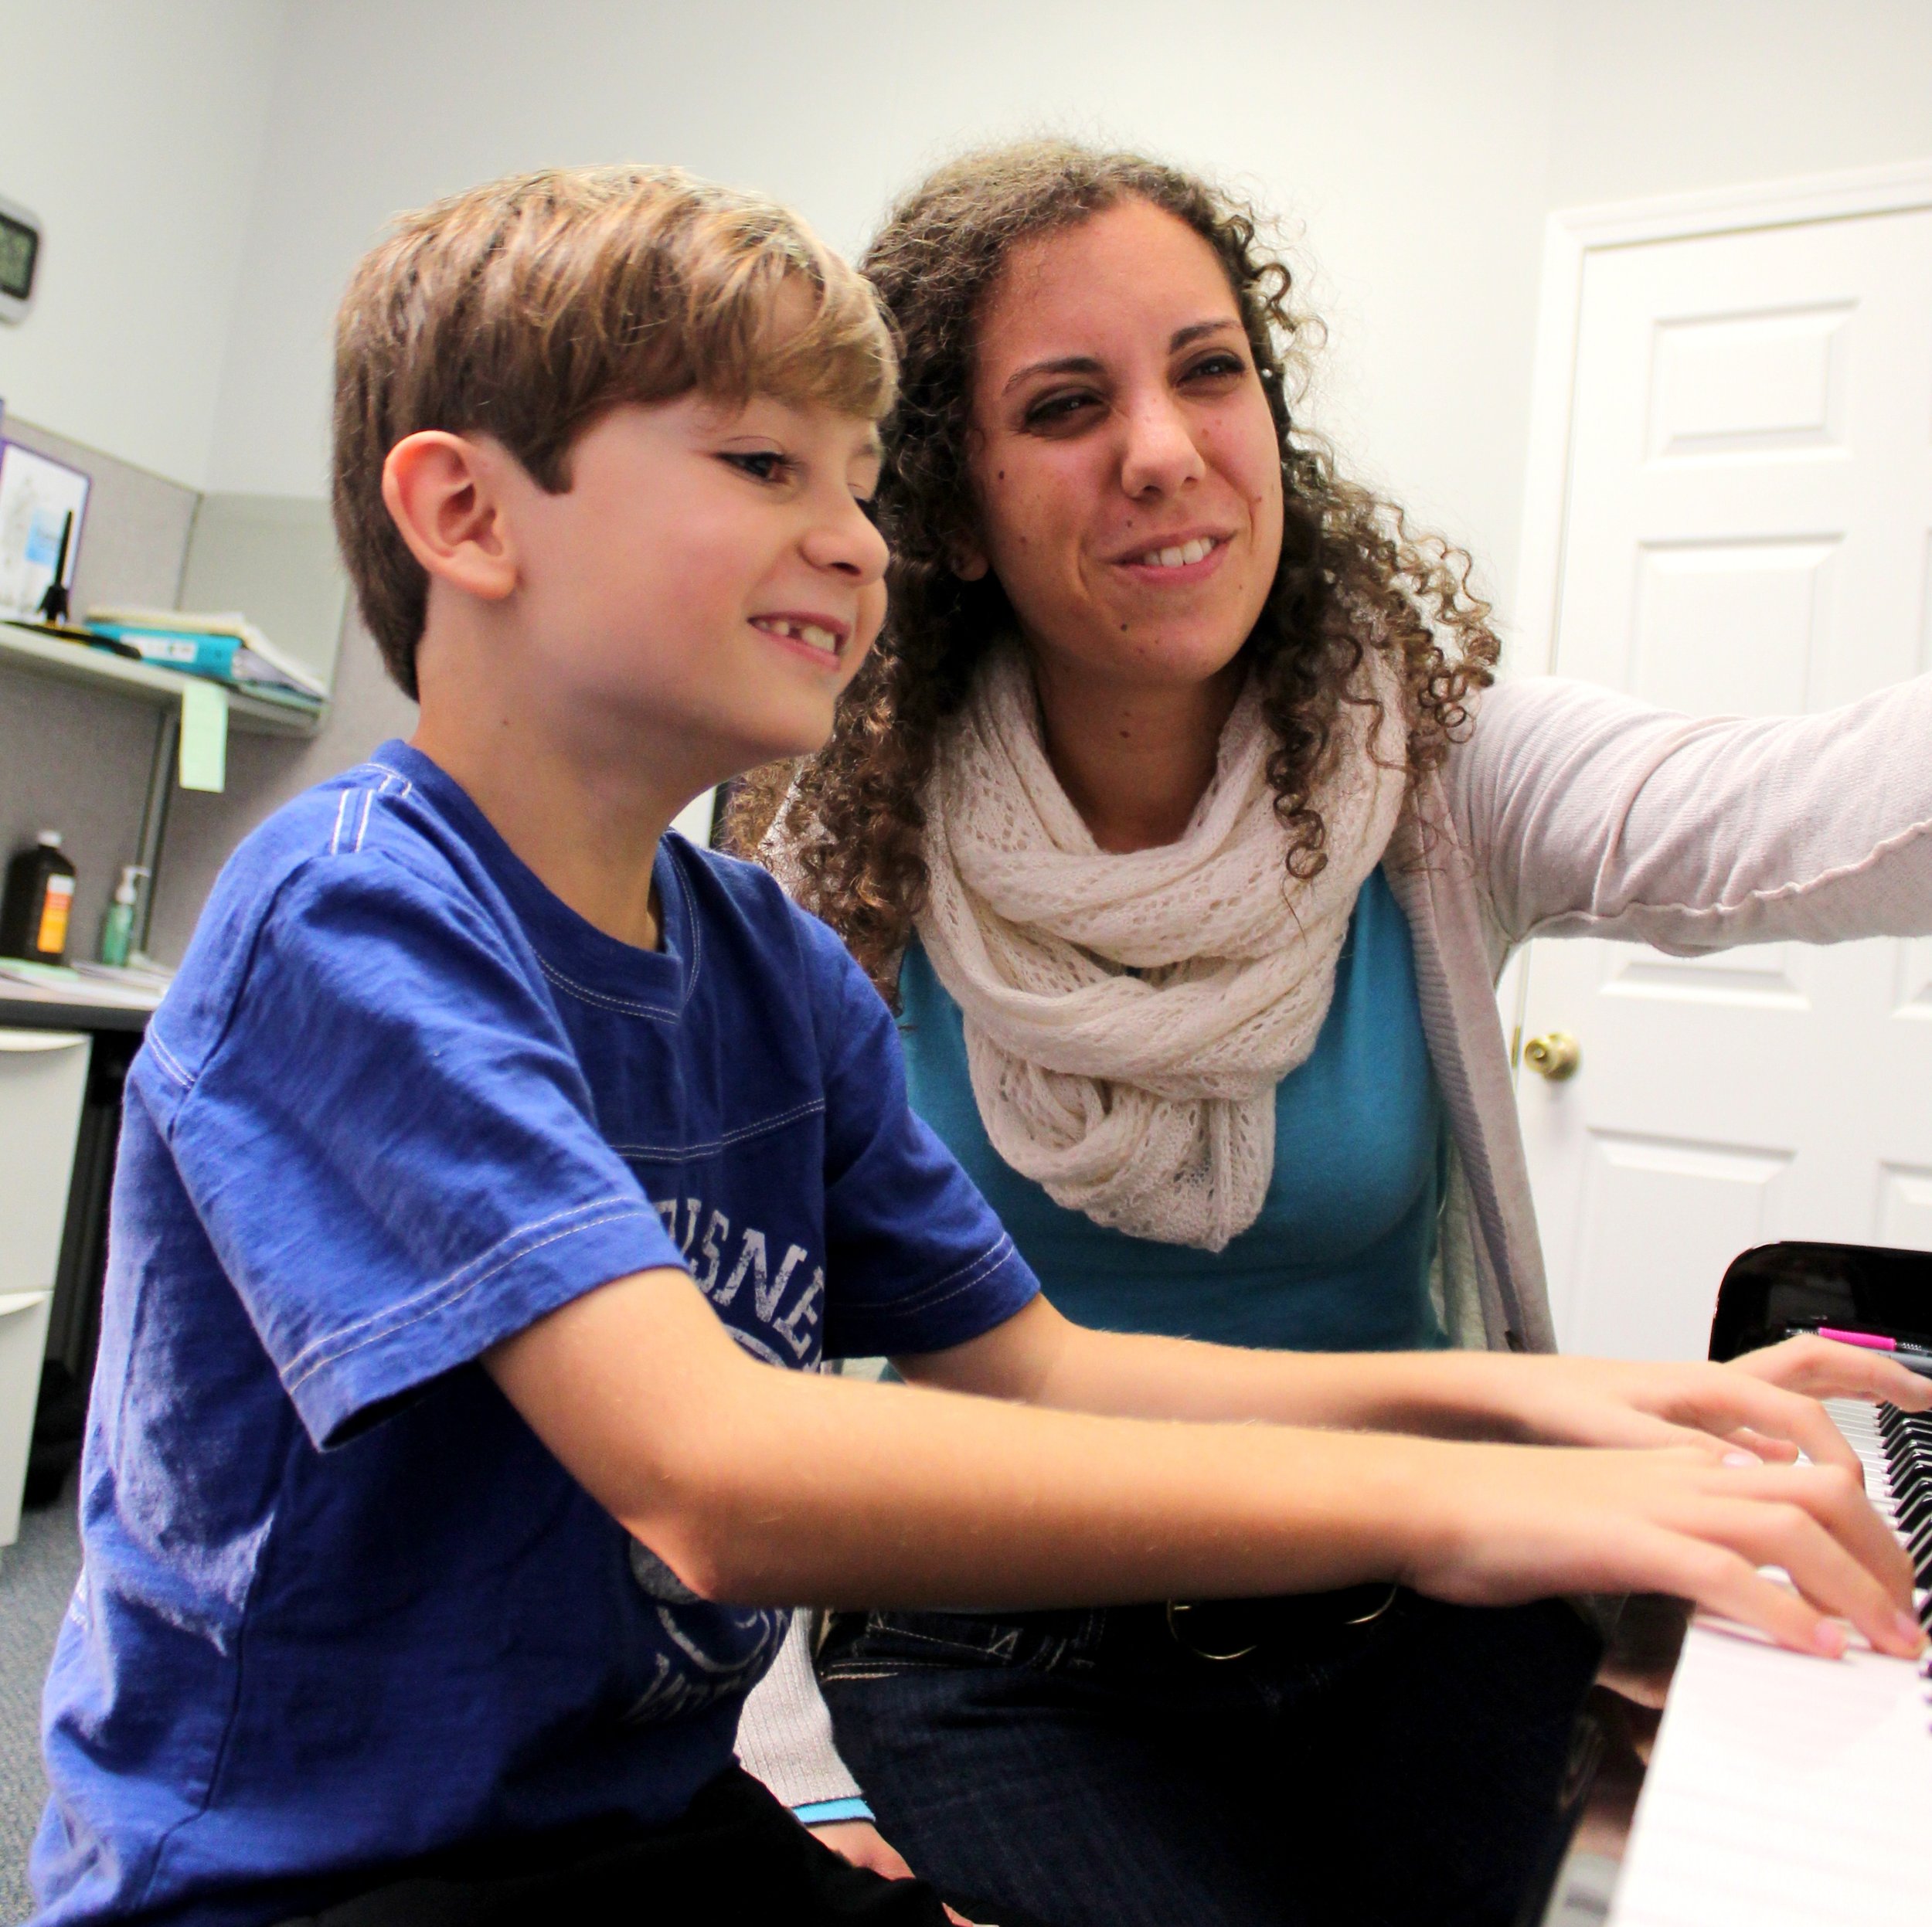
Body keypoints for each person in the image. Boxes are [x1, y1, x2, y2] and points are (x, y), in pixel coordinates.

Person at [29, 161, 1922, 1927]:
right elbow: (716, 1470)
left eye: (857, 481)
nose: (846, 541)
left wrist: (1563, 1403)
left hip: (627, 1814)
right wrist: (1480, 1491)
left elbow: (1033, 1368)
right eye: (768, 463)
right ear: (463, 513)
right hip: (315, 1868)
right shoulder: (359, 913)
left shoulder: (757, 955)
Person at [732, 141, 1932, 1927]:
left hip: (1418, 1616)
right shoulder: (832, 838)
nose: (1162, 447)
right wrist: (786, 1779)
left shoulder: (1432, 766)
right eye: (1066, 404)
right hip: (995, 1653)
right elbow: (743, 1373)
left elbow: (1810, 814)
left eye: (1208, 369)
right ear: (950, 509)